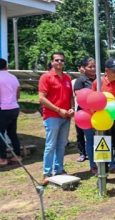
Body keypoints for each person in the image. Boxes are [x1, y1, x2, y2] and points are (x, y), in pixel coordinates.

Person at [38, 52, 74, 185]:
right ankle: (47, 173)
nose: (60, 62)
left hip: (66, 116)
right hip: (52, 116)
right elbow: (41, 98)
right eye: (57, 60)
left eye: (62, 60)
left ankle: (58, 169)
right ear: (52, 62)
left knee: (61, 144)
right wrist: (59, 110)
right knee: (50, 145)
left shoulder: (67, 78)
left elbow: (71, 96)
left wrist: (71, 108)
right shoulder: (46, 77)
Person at [73, 57, 97, 174]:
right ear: (84, 68)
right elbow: (80, 98)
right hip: (86, 115)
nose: (93, 69)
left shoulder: (99, 79)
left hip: (99, 115)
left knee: (101, 139)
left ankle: (104, 163)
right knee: (90, 140)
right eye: (90, 66)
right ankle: (93, 165)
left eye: (94, 66)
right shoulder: (80, 81)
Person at [0, 58, 22, 166]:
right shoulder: (13, 77)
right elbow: (18, 94)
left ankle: (2, 158)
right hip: (14, 107)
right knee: (12, 133)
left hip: (3, 109)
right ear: (6, 66)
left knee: (1, 134)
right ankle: (17, 155)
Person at [73, 61, 87, 162]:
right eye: (81, 67)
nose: (83, 69)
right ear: (79, 68)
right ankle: (82, 153)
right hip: (79, 111)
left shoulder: (93, 80)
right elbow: (71, 96)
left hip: (89, 111)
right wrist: (73, 109)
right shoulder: (75, 81)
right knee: (80, 133)